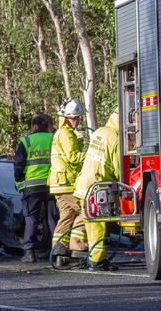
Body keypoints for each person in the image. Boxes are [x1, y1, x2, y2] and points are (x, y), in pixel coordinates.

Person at [73, 108, 120, 271]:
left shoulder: (100, 131)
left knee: (91, 223)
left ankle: (96, 257)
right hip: (96, 187)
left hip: (84, 184)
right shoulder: (115, 137)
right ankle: (97, 260)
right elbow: (118, 167)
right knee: (97, 225)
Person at [14, 114, 58, 262]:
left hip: (32, 186)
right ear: (48, 125)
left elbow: (18, 166)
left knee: (31, 219)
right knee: (52, 218)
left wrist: (19, 182)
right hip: (52, 185)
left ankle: (30, 252)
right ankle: (56, 250)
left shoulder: (26, 141)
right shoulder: (54, 139)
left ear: (33, 126)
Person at [49, 99, 89, 260]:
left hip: (60, 183)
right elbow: (72, 158)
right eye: (73, 117)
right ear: (65, 117)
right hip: (66, 183)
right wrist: (90, 153)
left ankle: (59, 251)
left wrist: (79, 141)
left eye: (78, 117)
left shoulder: (64, 133)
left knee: (67, 216)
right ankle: (77, 246)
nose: (76, 120)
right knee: (85, 212)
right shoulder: (66, 134)